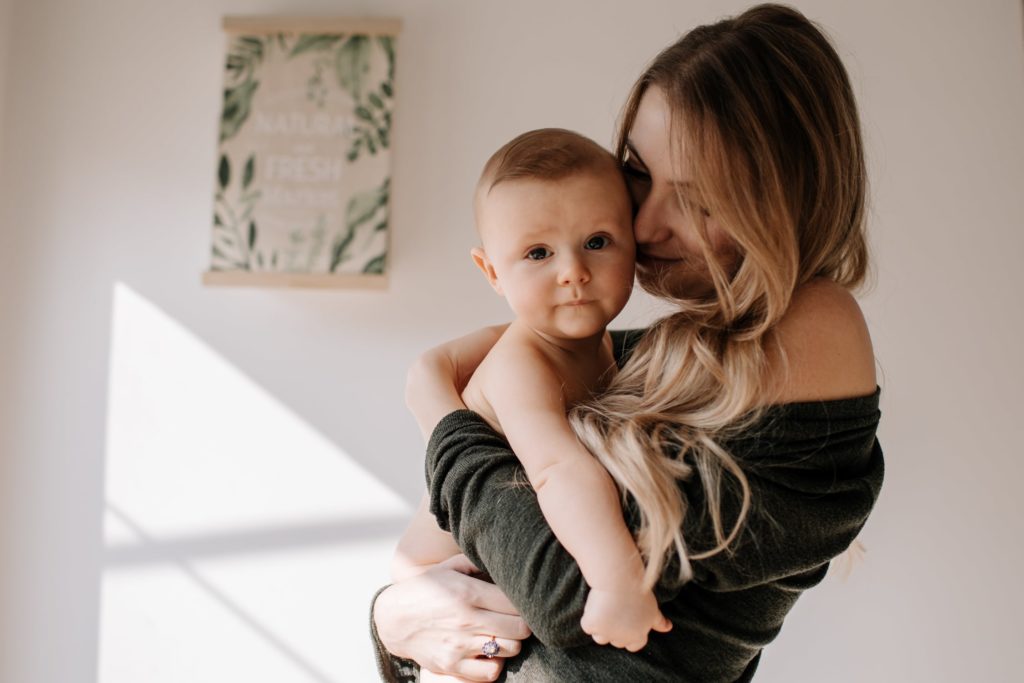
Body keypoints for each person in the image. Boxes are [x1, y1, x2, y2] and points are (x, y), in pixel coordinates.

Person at [372, 4, 884, 682]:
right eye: (638, 172)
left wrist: (438, 407)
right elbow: (442, 556)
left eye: (700, 199)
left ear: (789, 199)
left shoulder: (818, 322)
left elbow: (563, 593)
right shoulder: (621, 355)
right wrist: (391, 623)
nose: (643, 223)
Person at [391, 128, 675, 662]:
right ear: (492, 271)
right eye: (538, 253)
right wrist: (618, 582)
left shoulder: (610, 350)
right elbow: (557, 471)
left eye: (596, 242)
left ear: (633, 243)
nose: (573, 272)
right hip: (443, 576)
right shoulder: (522, 364)